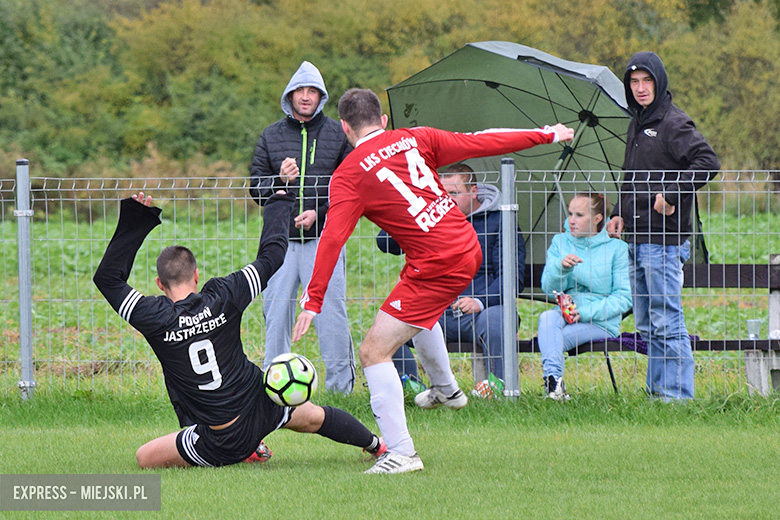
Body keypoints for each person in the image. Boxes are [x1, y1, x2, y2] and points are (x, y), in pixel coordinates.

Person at [292, 88, 574, 474]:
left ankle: (403, 453)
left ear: (344, 128)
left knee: (374, 351)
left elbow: (332, 239)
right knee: (412, 308)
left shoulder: (347, 176)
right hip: (463, 246)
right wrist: (545, 133)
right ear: (384, 121)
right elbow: (481, 141)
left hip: (438, 263)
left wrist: (313, 300)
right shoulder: (415, 137)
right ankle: (447, 390)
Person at [93, 191, 385, 469]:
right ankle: (377, 446)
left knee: (144, 457)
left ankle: (247, 451)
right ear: (196, 275)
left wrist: (136, 222)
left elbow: (108, 279)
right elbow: (272, 257)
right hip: (261, 405)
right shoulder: (224, 295)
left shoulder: (153, 316)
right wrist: (278, 203)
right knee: (312, 416)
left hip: (223, 437)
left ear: (159, 284)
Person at [606, 51, 719, 400]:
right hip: (636, 239)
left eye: (647, 81)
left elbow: (708, 162)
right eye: (634, 82)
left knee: (667, 322)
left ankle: (677, 399)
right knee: (646, 325)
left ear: (659, 81)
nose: (640, 88)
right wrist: (617, 211)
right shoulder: (636, 122)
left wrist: (671, 192)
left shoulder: (673, 123)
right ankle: (657, 396)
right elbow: (632, 177)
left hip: (665, 242)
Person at [249, 61, 355, 394]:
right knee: (276, 315)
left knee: (330, 316)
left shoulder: (339, 135)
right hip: (279, 244)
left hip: (324, 240)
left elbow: (350, 187)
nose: (306, 97)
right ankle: (274, 394)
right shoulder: (271, 135)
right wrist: (279, 181)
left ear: (321, 97)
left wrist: (317, 215)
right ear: (290, 95)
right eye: (300, 91)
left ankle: (342, 393)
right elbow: (255, 188)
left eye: (312, 91)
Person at [378, 163, 525, 398]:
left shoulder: (499, 223)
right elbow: (385, 243)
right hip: (434, 312)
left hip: (479, 314)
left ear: (474, 191)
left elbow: (512, 278)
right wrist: (407, 207)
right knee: (390, 319)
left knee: (499, 317)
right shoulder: (429, 218)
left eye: (454, 194)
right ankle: (412, 388)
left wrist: (480, 301)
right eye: (442, 194)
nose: (447, 201)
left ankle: (498, 388)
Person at [539, 193, 632, 400]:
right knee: (547, 318)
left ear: (598, 218)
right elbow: (548, 289)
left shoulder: (617, 248)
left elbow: (624, 298)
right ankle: (554, 386)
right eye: (570, 213)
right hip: (564, 315)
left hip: (601, 321)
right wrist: (561, 269)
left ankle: (553, 387)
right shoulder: (560, 242)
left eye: (579, 215)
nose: (571, 220)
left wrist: (585, 311)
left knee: (552, 338)